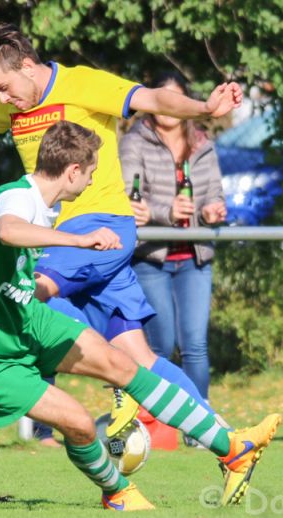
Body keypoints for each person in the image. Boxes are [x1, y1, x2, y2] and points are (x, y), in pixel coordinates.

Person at [0, 22, 259, 505]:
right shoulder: (12, 105)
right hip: (71, 242)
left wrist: (204, 108)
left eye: (4, 87)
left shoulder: (82, 83)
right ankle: (225, 439)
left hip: (98, 229)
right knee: (138, 360)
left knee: (33, 292)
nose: (2, 99)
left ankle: (79, 387)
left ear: (28, 67)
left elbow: (153, 99)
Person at [0, 119, 281, 510]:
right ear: (73, 171)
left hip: (23, 318)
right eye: (91, 172)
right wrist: (80, 240)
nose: (91, 182)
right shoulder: (17, 199)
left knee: (122, 364)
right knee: (81, 424)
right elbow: (9, 232)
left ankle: (233, 450)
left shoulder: (46, 205)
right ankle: (117, 493)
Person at [119, 72, 227, 434]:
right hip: (151, 258)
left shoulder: (203, 144)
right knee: (160, 344)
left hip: (195, 258)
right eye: (161, 99)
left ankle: (202, 427)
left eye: (174, 99)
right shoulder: (135, 142)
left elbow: (214, 194)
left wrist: (212, 211)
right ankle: (157, 424)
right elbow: (130, 198)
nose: (167, 108)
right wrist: (166, 212)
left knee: (195, 344)